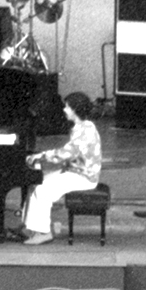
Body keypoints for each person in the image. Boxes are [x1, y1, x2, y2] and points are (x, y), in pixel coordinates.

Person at [19, 92, 102, 245]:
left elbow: (66, 154)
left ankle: (44, 232)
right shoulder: (82, 127)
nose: (64, 109)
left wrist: (41, 156)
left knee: (42, 190)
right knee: (35, 182)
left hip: (83, 177)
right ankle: (30, 227)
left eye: (67, 107)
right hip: (76, 171)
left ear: (75, 109)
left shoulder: (85, 129)